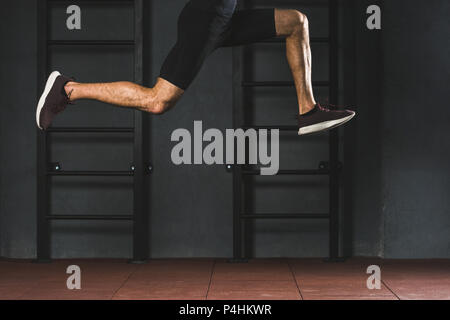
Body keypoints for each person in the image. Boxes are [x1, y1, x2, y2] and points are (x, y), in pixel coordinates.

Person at [36, 0, 355, 135]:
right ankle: (68, 89)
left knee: (296, 22)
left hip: (224, 18)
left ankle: (307, 110)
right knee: (157, 101)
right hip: (206, 17)